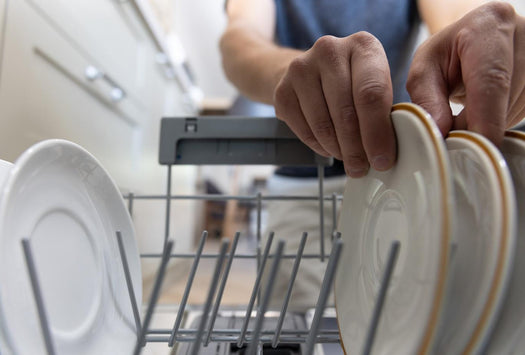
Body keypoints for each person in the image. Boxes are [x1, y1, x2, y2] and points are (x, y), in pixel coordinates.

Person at [219, 0, 525, 310]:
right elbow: (240, 39)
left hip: (399, 183)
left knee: (406, 322)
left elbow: (453, 16)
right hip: (301, 188)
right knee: (294, 329)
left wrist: (480, 40)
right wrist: (291, 75)